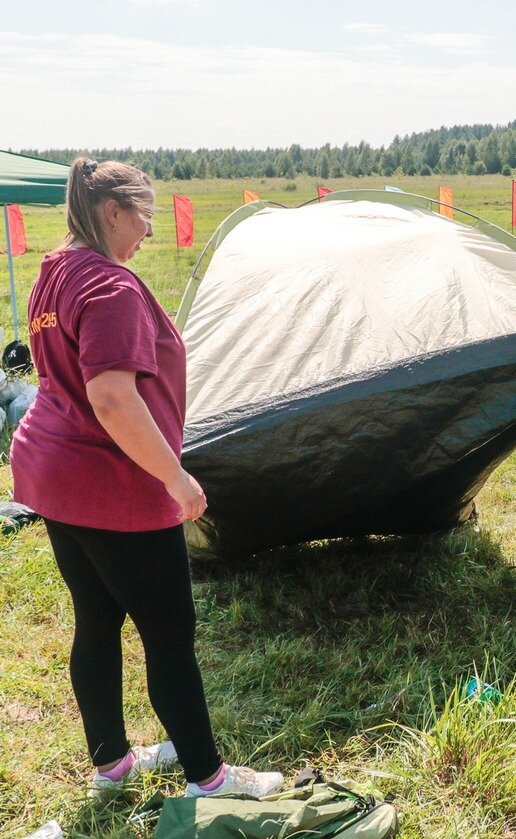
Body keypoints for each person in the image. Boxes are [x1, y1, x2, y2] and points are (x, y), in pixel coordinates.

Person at [10, 158, 284, 797]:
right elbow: (111, 398)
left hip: (54, 471)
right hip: (109, 479)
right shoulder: (112, 287)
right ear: (112, 212)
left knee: (96, 618)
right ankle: (210, 779)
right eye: (145, 215)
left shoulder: (56, 271)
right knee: (170, 635)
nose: (151, 231)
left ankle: (111, 766)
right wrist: (175, 477)